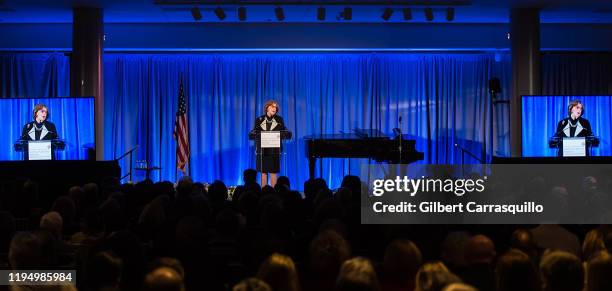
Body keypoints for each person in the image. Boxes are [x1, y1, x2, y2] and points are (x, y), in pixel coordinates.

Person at [252, 100, 287, 187]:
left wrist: (283, 134)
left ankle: (274, 193)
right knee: (263, 172)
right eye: (272, 106)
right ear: (267, 108)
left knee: (273, 171)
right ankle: (264, 192)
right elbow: (255, 133)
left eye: (275, 107)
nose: (274, 108)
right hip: (262, 149)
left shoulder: (279, 119)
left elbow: (284, 132)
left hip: (274, 149)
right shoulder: (259, 120)